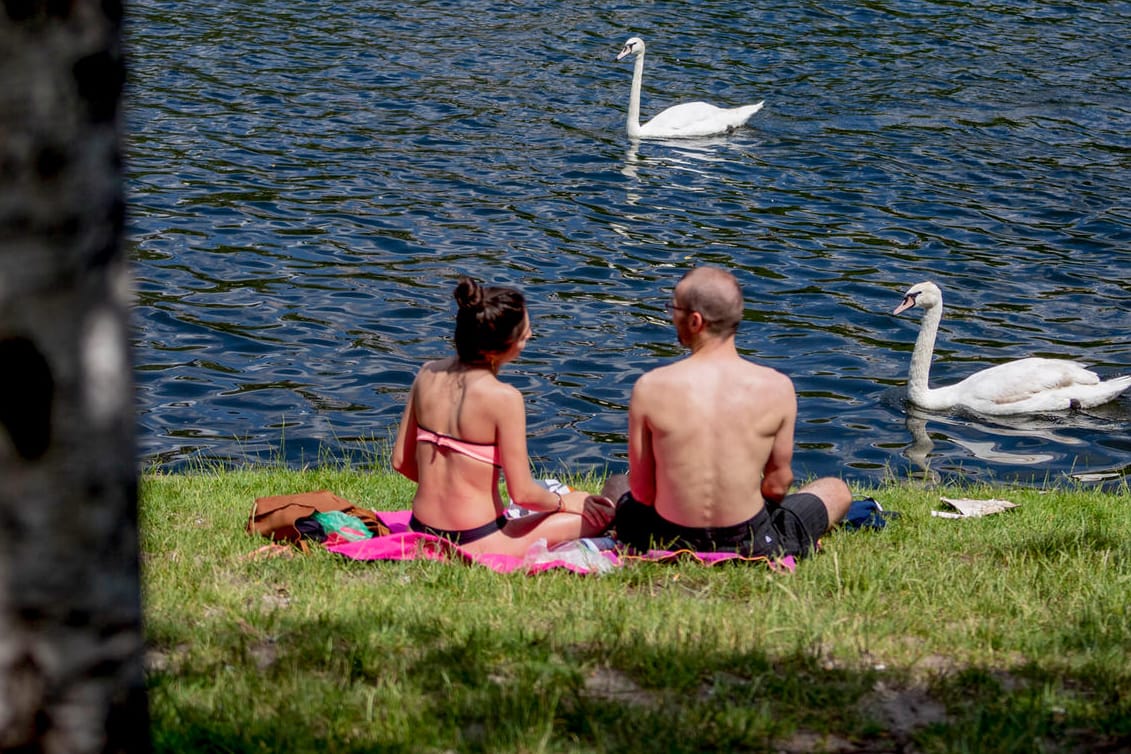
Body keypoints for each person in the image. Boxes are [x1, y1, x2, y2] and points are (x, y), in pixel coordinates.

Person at [603, 266, 852, 559]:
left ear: (695, 321)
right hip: (751, 540)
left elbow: (643, 493)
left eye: (673, 308)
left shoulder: (650, 387)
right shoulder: (777, 387)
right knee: (836, 490)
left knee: (618, 483)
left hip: (662, 536)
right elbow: (777, 485)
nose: (671, 316)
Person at [392, 276, 615, 557]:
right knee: (595, 517)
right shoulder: (504, 398)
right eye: (523, 334)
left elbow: (401, 461)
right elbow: (522, 494)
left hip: (421, 529)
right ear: (497, 349)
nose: (530, 336)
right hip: (476, 539)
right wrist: (565, 501)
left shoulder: (427, 373)